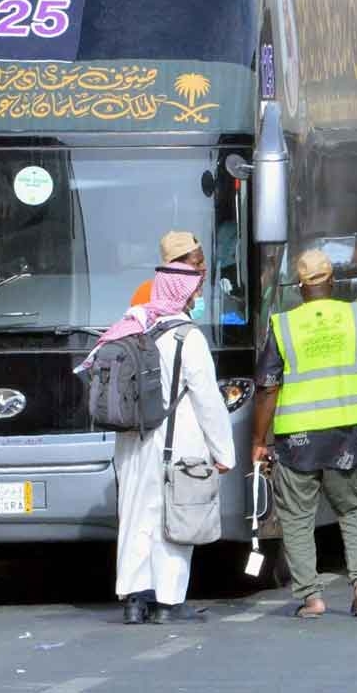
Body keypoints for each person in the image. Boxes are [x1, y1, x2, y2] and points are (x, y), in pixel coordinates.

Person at [100, 232, 235, 625]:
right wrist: (224, 452)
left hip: (131, 444)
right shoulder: (187, 337)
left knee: (135, 520)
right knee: (175, 523)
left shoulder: (132, 326)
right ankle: (168, 602)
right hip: (177, 445)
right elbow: (208, 400)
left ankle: (133, 599)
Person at [250, 249, 357, 619]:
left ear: (299, 286)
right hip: (350, 433)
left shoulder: (282, 325)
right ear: (332, 282)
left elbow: (266, 386)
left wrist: (258, 441)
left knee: (297, 517)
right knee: (356, 507)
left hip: (298, 438)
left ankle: (312, 597)